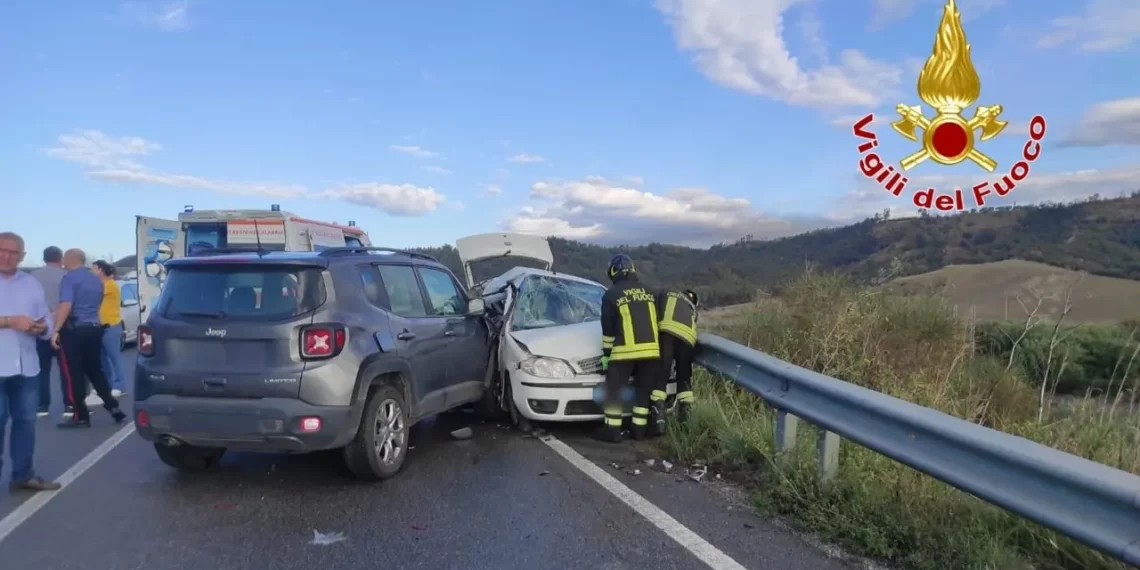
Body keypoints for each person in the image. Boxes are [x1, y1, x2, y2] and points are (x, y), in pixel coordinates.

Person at [0, 232, 62, 491]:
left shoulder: (31, 283)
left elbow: (46, 317)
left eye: (13, 252)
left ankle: (23, 475)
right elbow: (12, 320)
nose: (6, 256)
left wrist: (42, 327)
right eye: (2, 250)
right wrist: (9, 321)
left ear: (22, 256)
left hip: (27, 366)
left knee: (26, 422)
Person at [52, 249, 126, 429]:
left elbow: (66, 305)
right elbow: (97, 304)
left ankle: (81, 416)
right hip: (94, 328)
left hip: (74, 331)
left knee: (73, 373)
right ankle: (113, 407)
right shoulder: (96, 280)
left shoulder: (69, 278)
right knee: (95, 370)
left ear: (68, 260)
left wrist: (56, 329)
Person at [595, 254, 661, 443]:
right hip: (651, 352)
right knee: (642, 391)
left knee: (613, 391)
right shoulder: (649, 291)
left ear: (613, 271)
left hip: (625, 352)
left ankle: (613, 431)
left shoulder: (611, 294)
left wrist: (606, 356)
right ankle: (638, 431)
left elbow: (607, 330)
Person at [30, 245, 70, 417]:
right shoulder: (66, 276)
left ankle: (42, 405)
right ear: (60, 258)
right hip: (62, 328)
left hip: (39, 327)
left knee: (42, 370)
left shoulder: (32, 277)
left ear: (44, 258)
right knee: (66, 369)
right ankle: (69, 404)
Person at [656, 288, 699, 425]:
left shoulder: (665, 293)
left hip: (666, 334)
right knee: (684, 378)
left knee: (661, 376)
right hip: (687, 339)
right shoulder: (691, 306)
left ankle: (658, 421)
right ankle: (685, 420)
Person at [92, 260, 127, 397]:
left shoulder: (110, 285)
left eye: (93, 269)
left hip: (111, 326)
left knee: (114, 357)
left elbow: (95, 294)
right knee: (102, 359)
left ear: (100, 269)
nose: (92, 272)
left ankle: (120, 385)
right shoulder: (101, 284)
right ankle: (106, 384)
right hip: (98, 326)